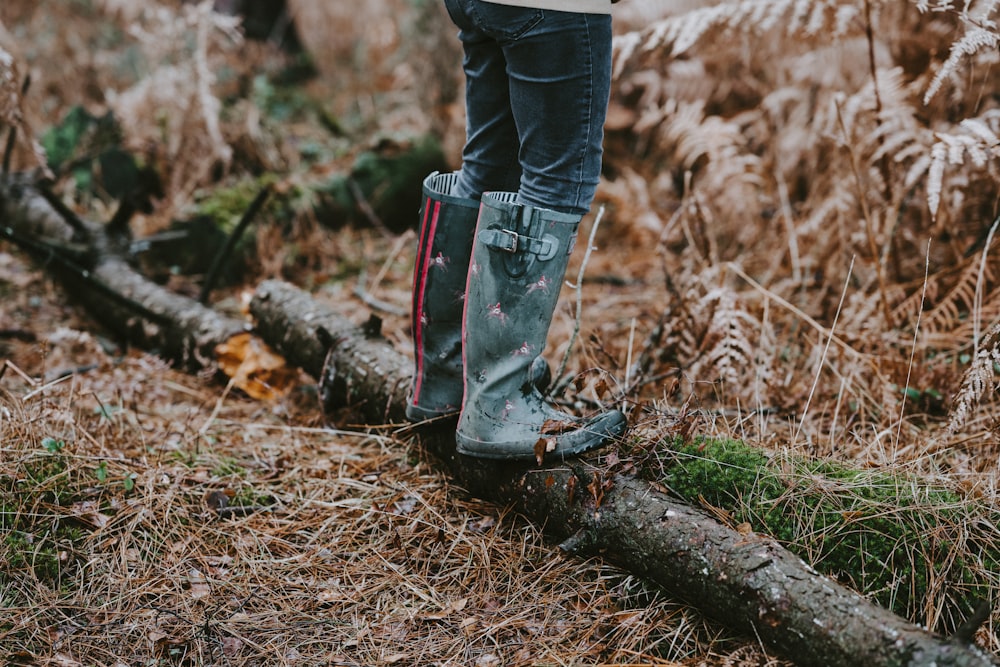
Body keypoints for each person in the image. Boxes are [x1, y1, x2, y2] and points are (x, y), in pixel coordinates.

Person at [407, 0, 626, 461]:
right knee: (557, 183)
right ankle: (497, 409)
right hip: (552, 6)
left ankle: (448, 379)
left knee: (490, 168)